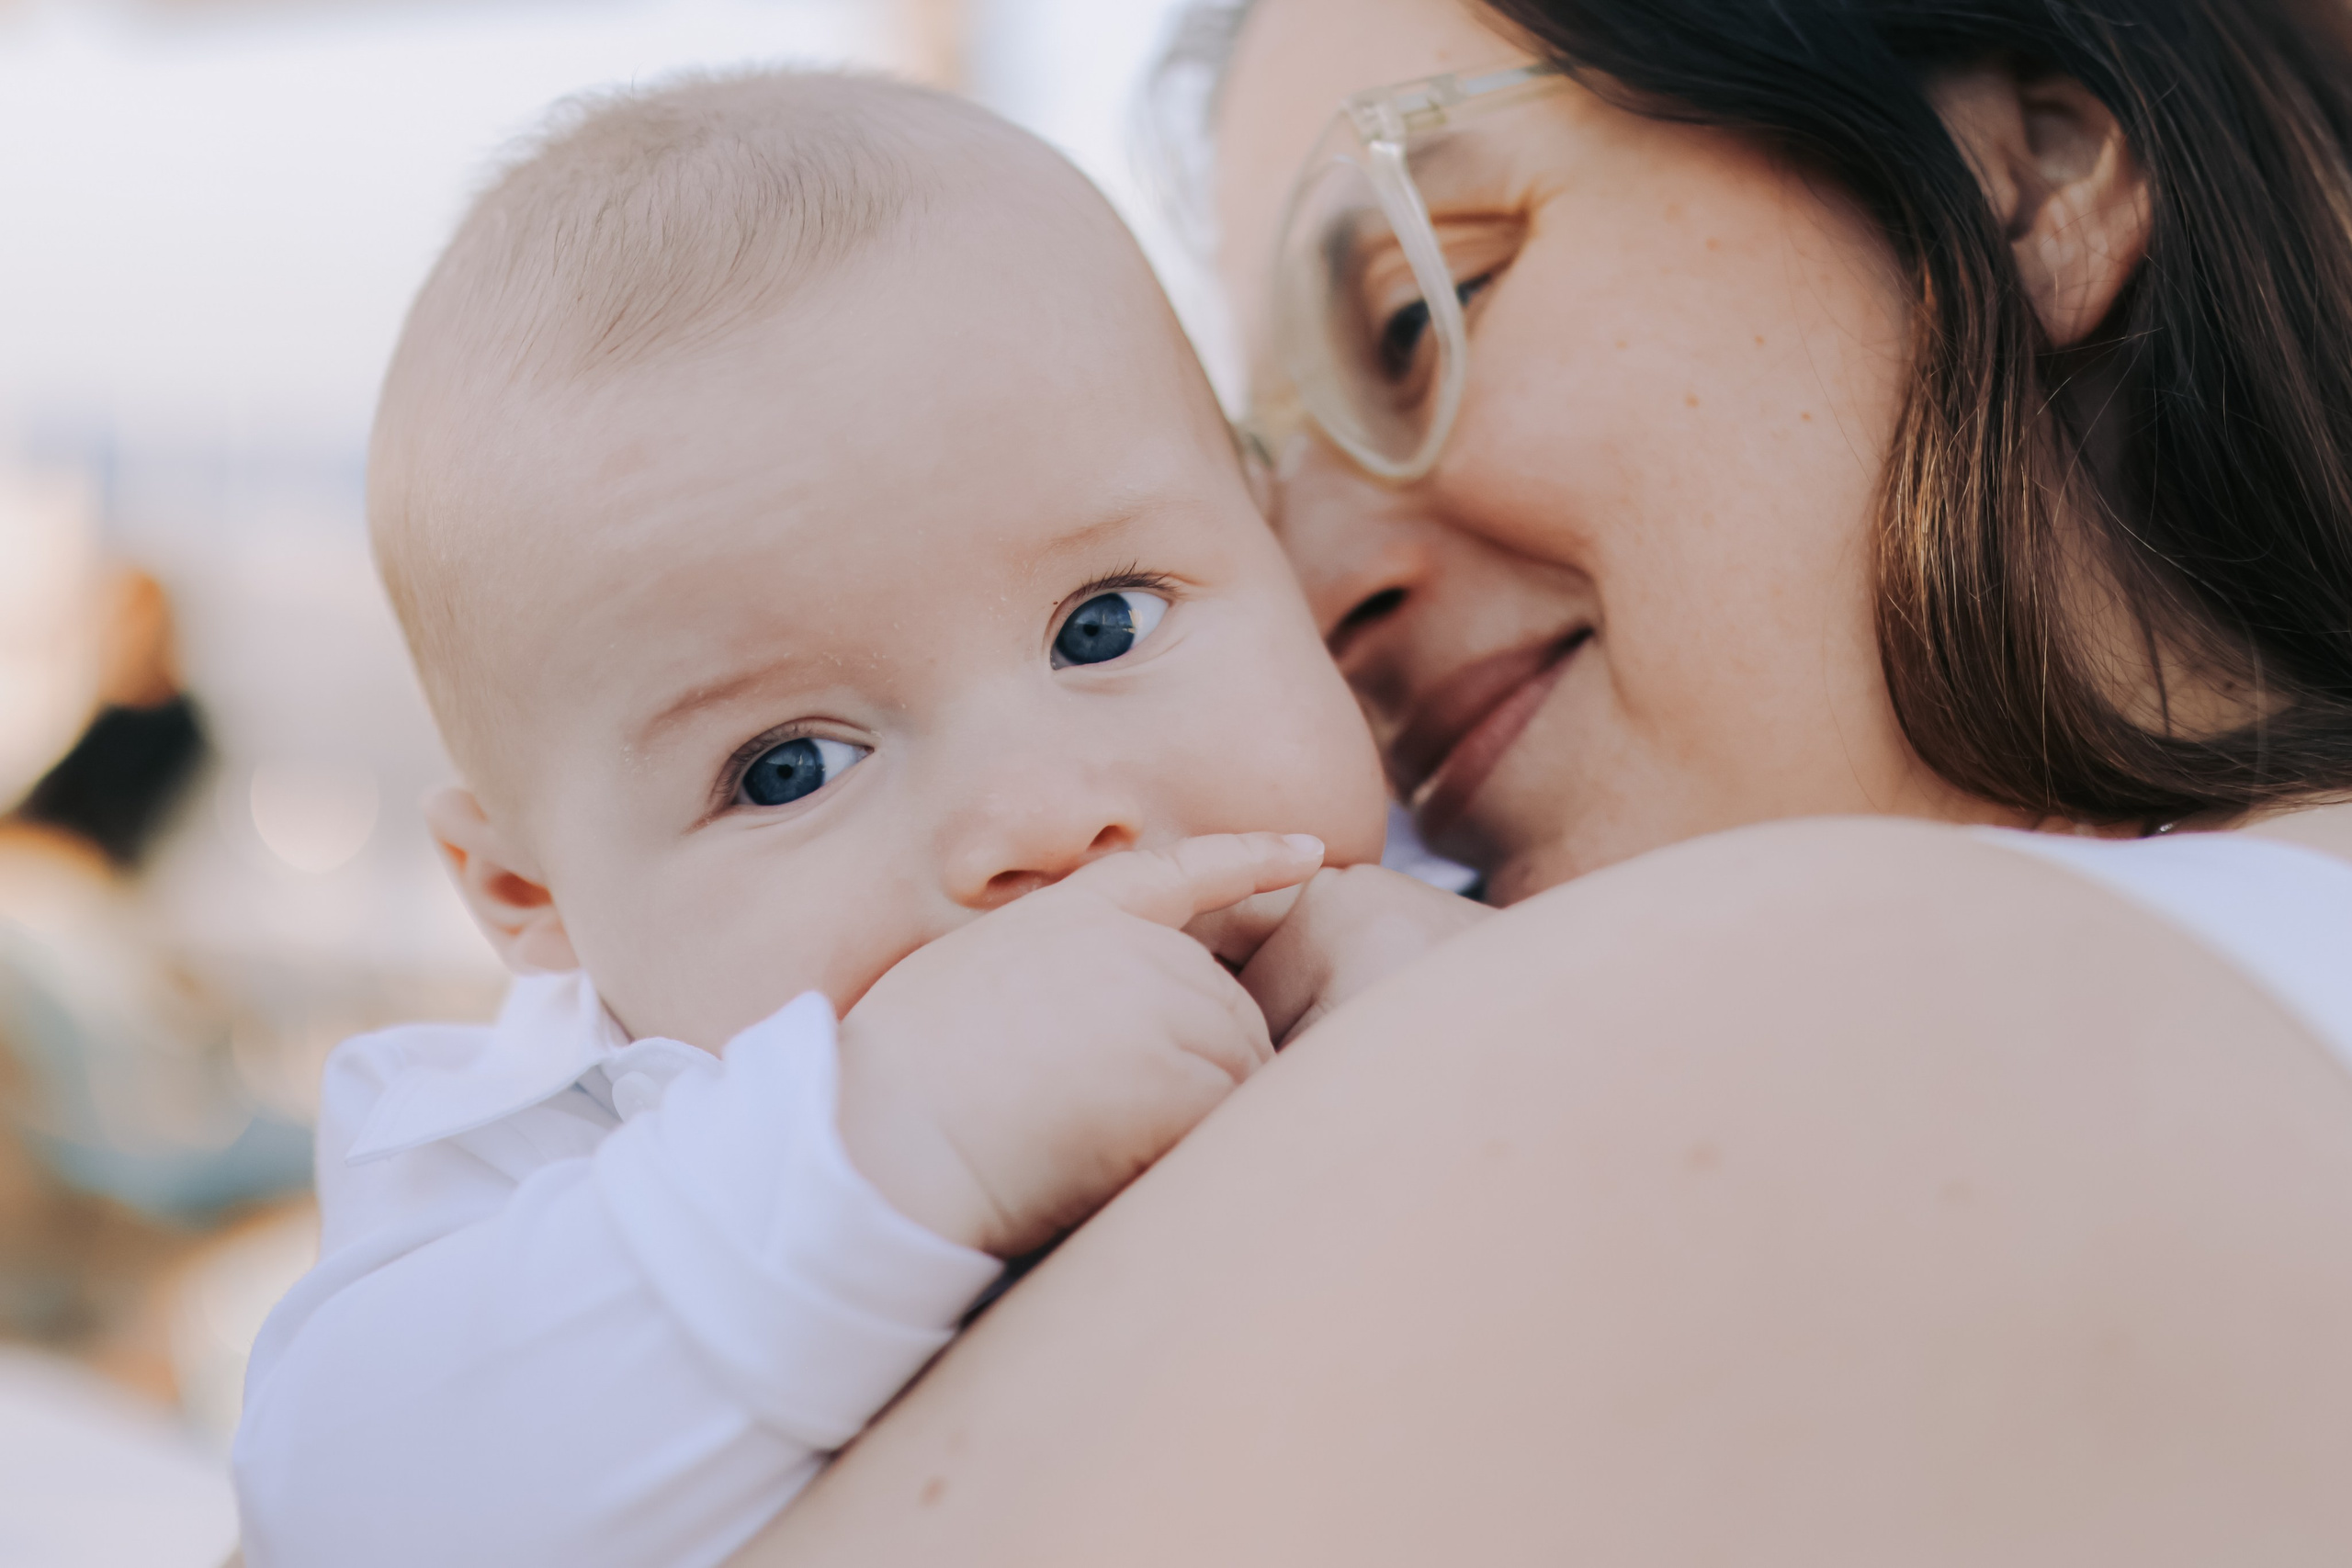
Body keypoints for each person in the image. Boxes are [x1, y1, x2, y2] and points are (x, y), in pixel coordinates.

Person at [729, 0, 2352, 1562]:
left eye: (1423, 310)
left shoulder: (1826, 1000)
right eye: (1269, 475)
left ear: (2026, 167)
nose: (1314, 585)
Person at [230, 70, 1483, 1568]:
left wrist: (1500, 1021)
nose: (1035, 822)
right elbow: (339, 1505)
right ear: (529, 898)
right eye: (790, 769)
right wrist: (888, 1142)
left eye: (1104, 623)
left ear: (1281, 555)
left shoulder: (1471, 885)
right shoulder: (553, 1146)